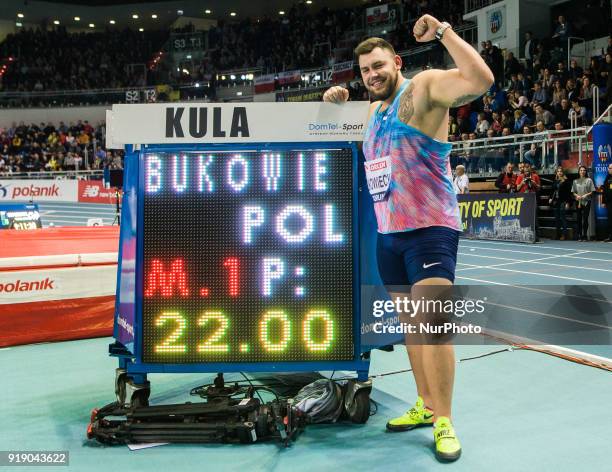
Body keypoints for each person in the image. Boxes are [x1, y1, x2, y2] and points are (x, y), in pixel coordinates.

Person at [323, 15, 494, 462]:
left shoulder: (424, 89)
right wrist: (330, 106)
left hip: (430, 231)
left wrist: (443, 33)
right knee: (413, 333)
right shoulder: (370, 113)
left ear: (396, 62)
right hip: (389, 237)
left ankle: (445, 421)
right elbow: (328, 139)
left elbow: (481, 78)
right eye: (364, 70)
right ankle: (424, 405)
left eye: (379, 65)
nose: (372, 74)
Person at [571, 165, 595, 241]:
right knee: (579, 219)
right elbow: (573, 192)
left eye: (584, 170)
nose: (582, 171)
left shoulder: (589, 180)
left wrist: (586, 195)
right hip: (578, 202)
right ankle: (580, 235)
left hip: (586, 202)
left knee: (585, 218)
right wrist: (576, 195)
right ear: (579, 171)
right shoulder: (575, 181)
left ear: (586, 171)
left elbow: (592, 191)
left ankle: (585, 235)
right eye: (581, 170)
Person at [549, 166, 572, 240]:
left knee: (563, 218)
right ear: (556, 173)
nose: (559, 173)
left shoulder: (566, 181)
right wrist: (550, 198)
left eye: (561, 171)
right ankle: (557, 234)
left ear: (563, 172)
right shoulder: (555, 181)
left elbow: (569, 193)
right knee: (557, 219)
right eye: (558, 171)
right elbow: (552, 190)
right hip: (556, 201)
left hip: (563, 201)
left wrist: (568, 203)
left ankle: (564, 235)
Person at [601, 163, 612, 242]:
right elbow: (604, 191)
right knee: (610, 219)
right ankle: (610, 236)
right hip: (609, 202)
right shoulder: (607, 177)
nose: (611, 169)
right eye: (610, 168)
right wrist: (603, 202)